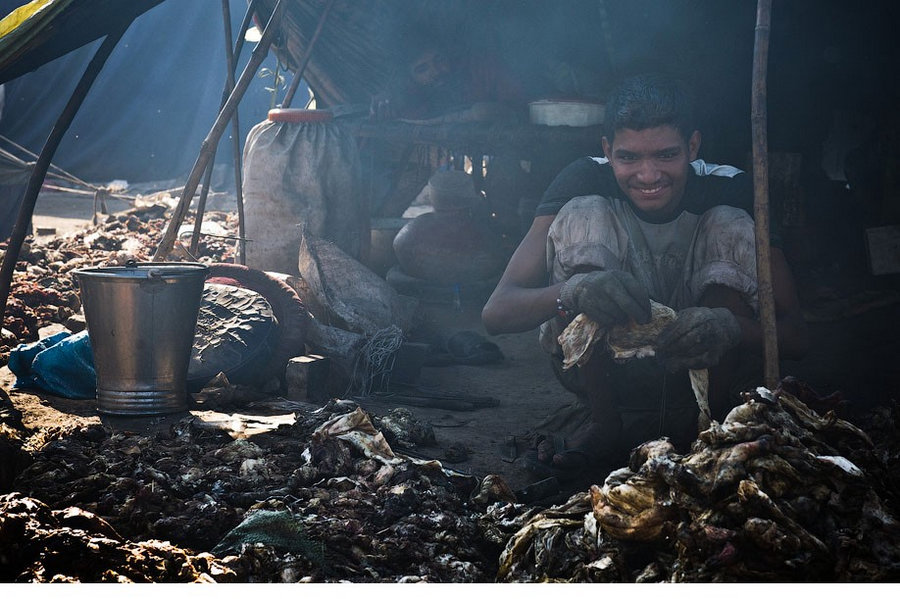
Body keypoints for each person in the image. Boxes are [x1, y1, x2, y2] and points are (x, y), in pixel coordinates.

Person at [481, 73, 809, 479]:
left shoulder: (732, 189)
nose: (649, 175)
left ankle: (706, 423)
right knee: (585, 212)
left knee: (731, 223)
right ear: (607, 150)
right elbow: (496, 313)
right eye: (629, 158)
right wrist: (575, 290)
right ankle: (605, 424)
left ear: (692, 145)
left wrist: (730, 327)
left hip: (705, 372)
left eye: (666, 155)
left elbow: (795, 337)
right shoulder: (583, 180)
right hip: (606, 381)